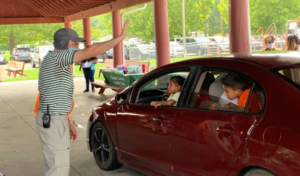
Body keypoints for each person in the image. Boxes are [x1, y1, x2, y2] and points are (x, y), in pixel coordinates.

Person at [35, 19, 129, 176]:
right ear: (65, 44)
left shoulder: (56, 60)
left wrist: (65, 118)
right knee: (59, 167)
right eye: (75, 43)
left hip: (54, 117)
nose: (78, 47)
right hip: (52, 119)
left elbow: (52, 96)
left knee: (57, 163)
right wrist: (120, 38)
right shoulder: (57, 57)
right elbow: (93, 51)